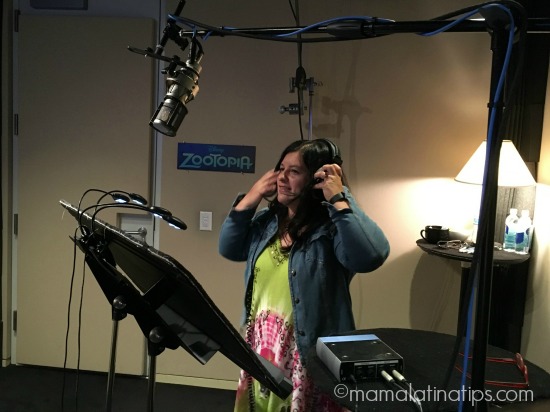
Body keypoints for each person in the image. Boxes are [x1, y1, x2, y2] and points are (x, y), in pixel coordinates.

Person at [218, 139, 390, 412]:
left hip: (306, 352)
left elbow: (371, 256)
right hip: (264, 345)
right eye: (281, 168)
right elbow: (229, 248)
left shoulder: (332, 229)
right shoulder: (268, 222)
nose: (282, 177)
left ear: (317, 179)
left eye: (295, 171)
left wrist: (340, 197)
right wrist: (252, 196)